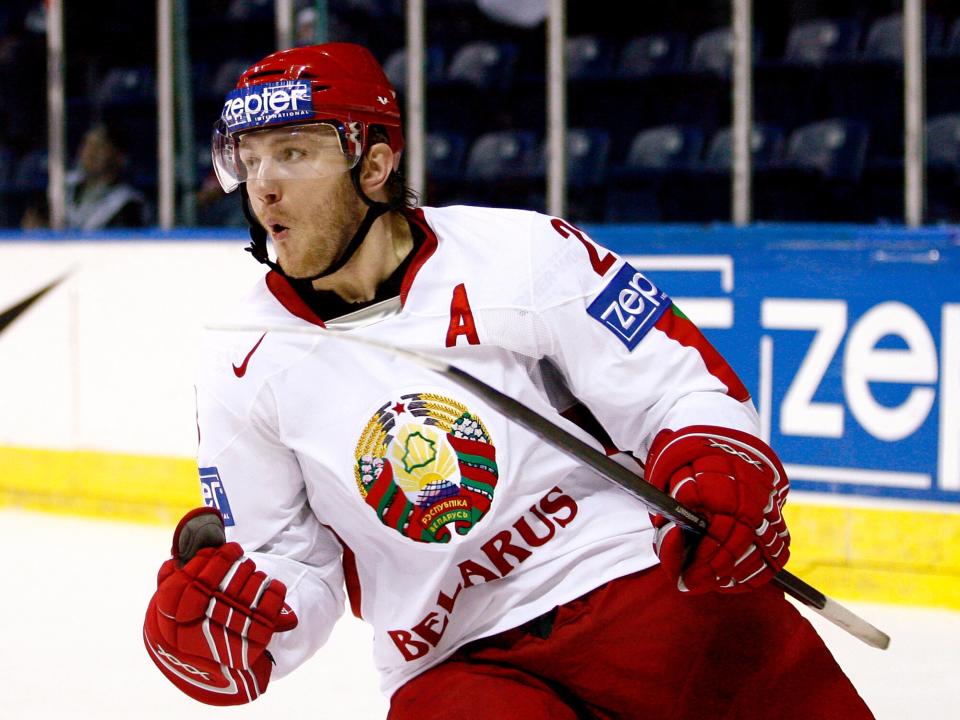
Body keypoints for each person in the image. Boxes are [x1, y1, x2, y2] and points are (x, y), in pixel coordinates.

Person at [142, 43, 874, 719]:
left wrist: (717, 464)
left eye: (293, 153)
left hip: (633, 582)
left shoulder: (521, 253)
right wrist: (239, 620)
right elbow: (289, 560)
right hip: (455, 659)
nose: (262, 188)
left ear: (372, 165)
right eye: (249, 159)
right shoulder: (242, 360)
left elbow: (674, 386)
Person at [63, 121, 147, 230]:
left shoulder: (129, 204)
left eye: (99, 147)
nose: (89, 153)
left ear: (119, 157)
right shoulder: (64, 188)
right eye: (87, 145)